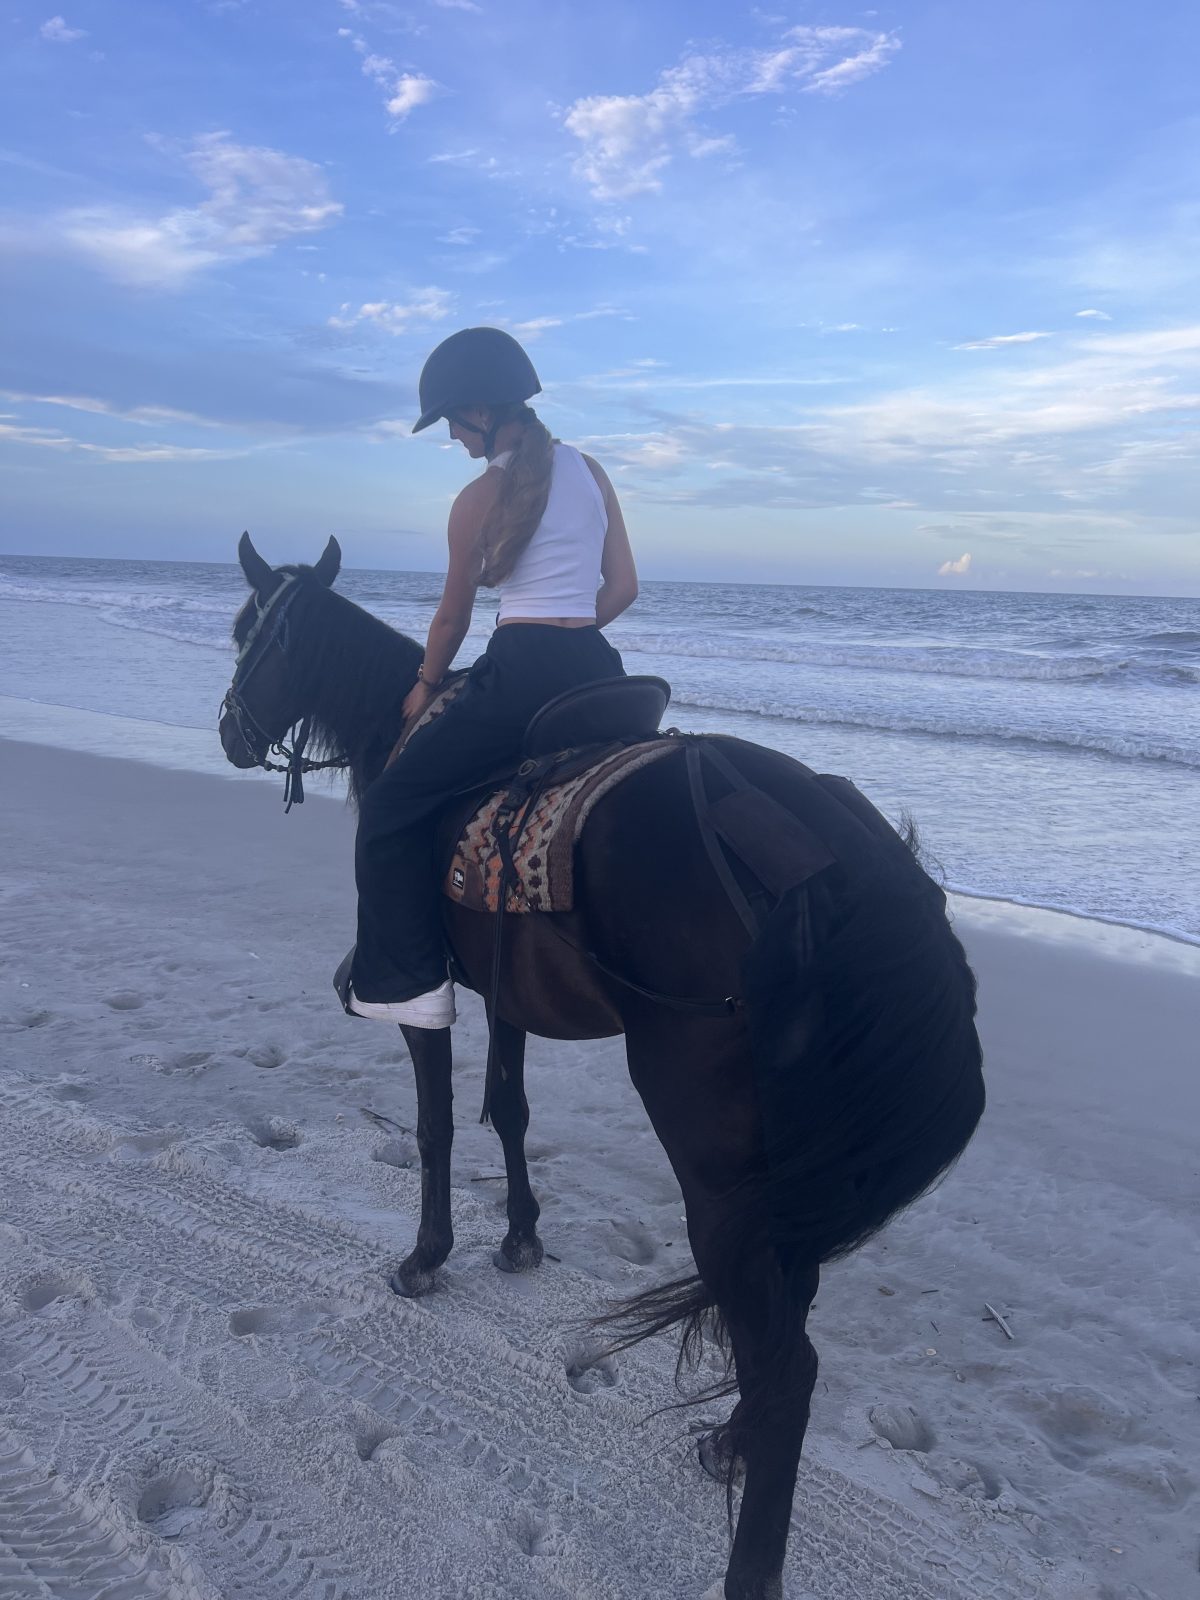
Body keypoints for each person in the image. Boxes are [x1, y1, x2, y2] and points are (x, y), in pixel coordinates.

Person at [342, 326, 639, 1026]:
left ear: (480, 410)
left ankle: (408, 984)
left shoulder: (480, 498)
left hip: (522, 674)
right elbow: (622, 588)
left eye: (451, 419)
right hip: (600, 671)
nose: (451, 436)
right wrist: (571, 636)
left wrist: (424, 681)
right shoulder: (591, 470)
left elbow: (451, 619)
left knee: (387, 809)